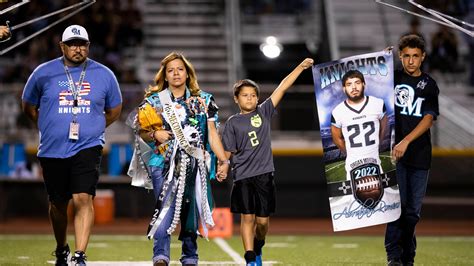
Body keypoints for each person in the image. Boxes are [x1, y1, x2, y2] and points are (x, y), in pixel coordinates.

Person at [22, 25, 122, 266]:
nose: (78, 49)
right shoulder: (43, 73)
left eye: (82, 44)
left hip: (88, 146)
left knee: (83, 198)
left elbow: (115, 110)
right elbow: (28, 106)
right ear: (62, 46)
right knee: (57, 203)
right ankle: (61, 248)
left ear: (88, 46)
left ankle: (79, 255)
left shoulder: (105, 74)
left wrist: (93, 127)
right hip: (52, 148)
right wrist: (47, 126)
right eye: (72, 44)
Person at [135, 51, 228, 266]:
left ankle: (190, 255)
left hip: (195, 164)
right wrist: (154, 134)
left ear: (187, 73)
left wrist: (224, 160)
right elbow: (141, 131)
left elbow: (212, 133)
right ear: (165, 76)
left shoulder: (205, 99)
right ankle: (160, 256)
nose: (176, 73)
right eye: (171, 70)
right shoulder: (154, 100)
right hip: (162, 164)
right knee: (164, 208)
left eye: (180, 69)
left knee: (190, 210)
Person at [220, 58, 314, 266]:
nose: (250, 98)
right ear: (236, 99)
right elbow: (227, 151)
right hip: (242, 176)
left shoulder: (264, 112)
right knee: (247, 218)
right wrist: (223, 166)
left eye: (253, 95)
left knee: (262, 223)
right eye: (245, 95)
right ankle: (250, 258)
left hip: (264, 175)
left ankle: (258, 244)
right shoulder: (232, 123)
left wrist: (300, 66)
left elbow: (282, 87)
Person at [385, 34, 440, 266]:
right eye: (406, 56)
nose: (410, 61)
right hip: (394, 156)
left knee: (412, 213)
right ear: (400, 56)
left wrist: (406, 140)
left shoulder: (429, 85)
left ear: (423, 57)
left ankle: (408, 257)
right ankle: (395, 257)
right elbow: (364, 80)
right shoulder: (392, 78)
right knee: (396, 210)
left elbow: (429, 118)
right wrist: (381, 60)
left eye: (415, 56)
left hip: (419, 155)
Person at [330, 69, 388, 199]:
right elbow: (337, 139)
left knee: (382, 207)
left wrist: (375, 146)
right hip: (352, 165)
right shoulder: (337, 111)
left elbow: (384, 127)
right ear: (344, 88)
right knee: (356, 207)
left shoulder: (378, 103)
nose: (354, 87)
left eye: (357, 83)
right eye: (349, 84)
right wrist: (351, 152)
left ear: (364, 84)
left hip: (376, 163)